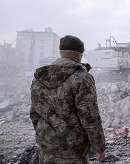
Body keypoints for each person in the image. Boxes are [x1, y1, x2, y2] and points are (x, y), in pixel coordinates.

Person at [30, 35, 106, 163]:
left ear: (61, 52)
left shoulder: (39, 78)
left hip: (46, 145)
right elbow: (89, 117)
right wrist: (99, 147)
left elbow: (34, 113)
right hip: (73, 149)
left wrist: (44, 133)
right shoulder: (82, 78)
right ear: (79, 54)